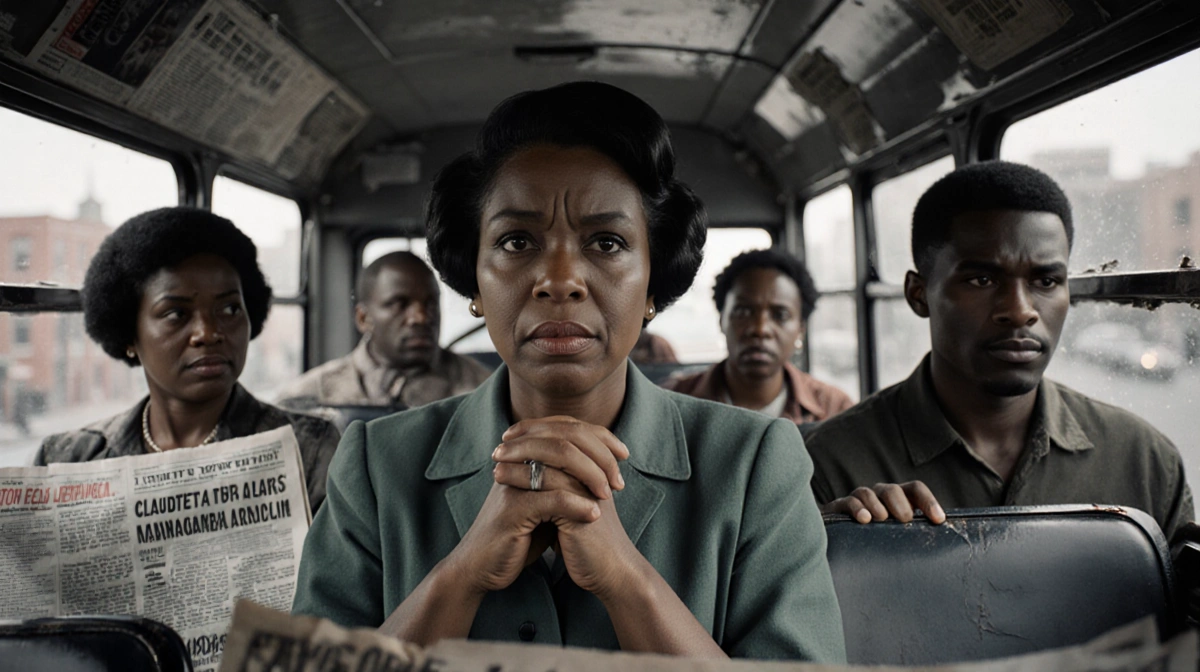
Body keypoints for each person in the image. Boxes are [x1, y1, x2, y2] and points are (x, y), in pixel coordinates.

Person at [291, 82, 844, 661]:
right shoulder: (376, 468)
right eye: (517, 241)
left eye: (606, 242)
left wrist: (626, 578)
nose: (559, 279)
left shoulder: (757, 466)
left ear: (653, 283)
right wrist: (464, 573)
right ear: (474, 282)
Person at [806, 161, 1194, 543]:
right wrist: (841, 543)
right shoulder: (832, 464)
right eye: (983, 279)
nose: (1021, 310)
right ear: (918, 294)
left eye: (1046, 280)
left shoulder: (1144, 460)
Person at [35, 207, 342, 513]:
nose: (207, 333)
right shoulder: (68, 459)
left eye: (230, 309)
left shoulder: (310, 448)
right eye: (176, 314)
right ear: (130, 335)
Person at [275, 251, 492, 413]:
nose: (421, 317)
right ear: (363, 318)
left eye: (430, 304)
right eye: (400, 304)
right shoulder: (306, 400)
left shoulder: (486, 393)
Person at [666, 249, 854, 424]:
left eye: (780, 315)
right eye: (744, 312)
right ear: (722, 320)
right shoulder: (671, 402)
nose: (760, 329)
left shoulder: (834, 409)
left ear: (800, 330)